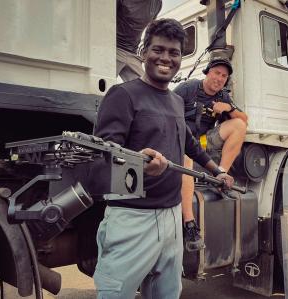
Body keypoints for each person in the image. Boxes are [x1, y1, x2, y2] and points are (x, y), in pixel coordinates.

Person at [91, 19, 234, 299]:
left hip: (171, 217)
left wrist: (216, 170)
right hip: (133, 218)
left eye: (174, 52)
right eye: (158, 49)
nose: (166, 58)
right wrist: (138, 162)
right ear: (144, 52)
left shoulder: (176, 101)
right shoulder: (123, 95)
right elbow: (102, 156)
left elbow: (189, 142)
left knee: (166, 294)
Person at [174, 57, 248, 252]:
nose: (220, 78)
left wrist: (228, 108)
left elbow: (244, 120)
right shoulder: (187, 88)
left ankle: (221, 175)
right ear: (207, 72)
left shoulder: (223, 96)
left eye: (224, 76)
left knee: (239, 125)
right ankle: (189, 224)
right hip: (179, 141)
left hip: (203, 141)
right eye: (217, 73)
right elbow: (165, 112)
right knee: (187, 157)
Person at [116, 0, 162, 81]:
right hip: (114, 49)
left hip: (132, 52)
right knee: (101, 85)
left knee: (146, 89)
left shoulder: (157, 3)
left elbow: (151, 29)